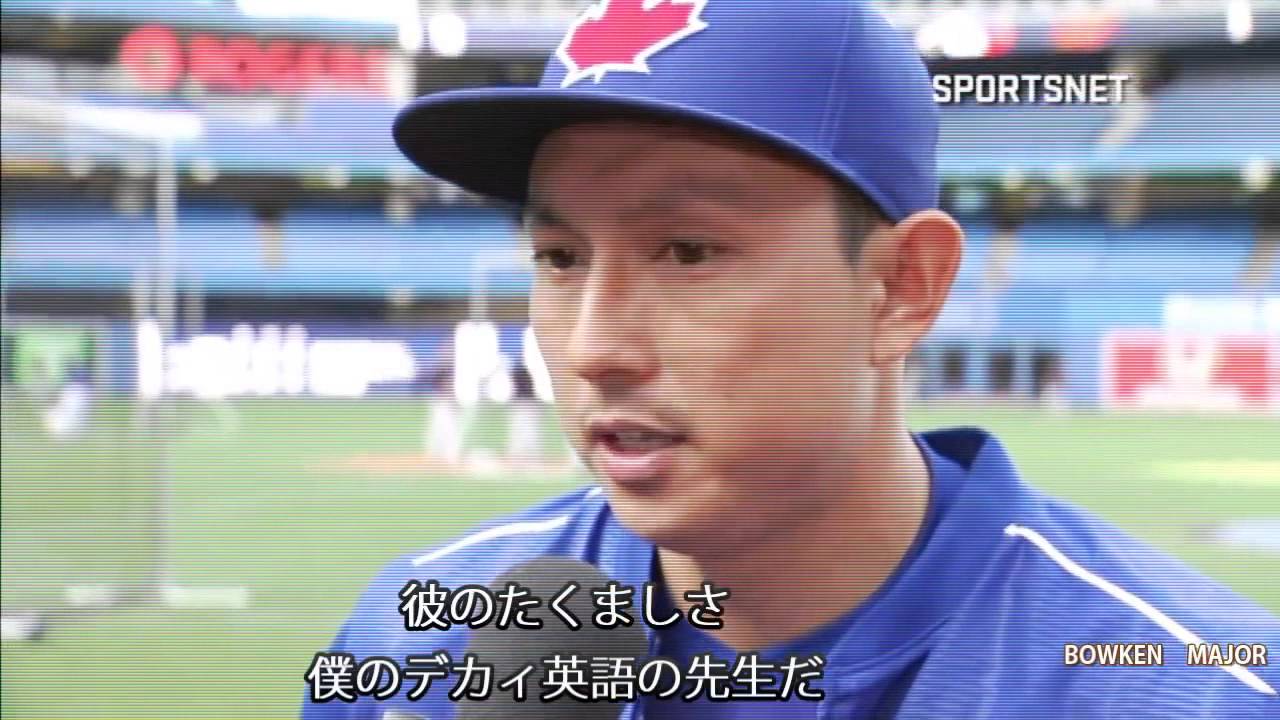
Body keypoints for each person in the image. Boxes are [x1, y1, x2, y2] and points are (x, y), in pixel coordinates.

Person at [303, 2, 1279, 718]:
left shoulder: (1194, 691)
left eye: (688, 252)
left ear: (901, 288)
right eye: (559, 258)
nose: (594, 348)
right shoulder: (413, 643)